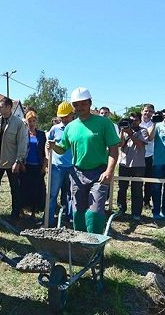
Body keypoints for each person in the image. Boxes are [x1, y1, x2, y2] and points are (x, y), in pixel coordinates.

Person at [46, 87, 119, 234]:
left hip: (99, 173)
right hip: (77, 174)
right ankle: (79, 246)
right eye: (76, 105)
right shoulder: (70, 127)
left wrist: (109, 171)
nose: (79, 107)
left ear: (90, 103)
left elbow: (113, 149)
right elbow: (63, 148)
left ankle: (94, 249)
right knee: (78, 212)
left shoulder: (104, 123)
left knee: (94, 212)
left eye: (83, 104)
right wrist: (53, 146)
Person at [0, 97, 27, 221]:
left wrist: (18, 161)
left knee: (15, 189)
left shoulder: (18, 123)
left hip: (11, 162)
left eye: (1, 106)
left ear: (9, 107)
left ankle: (15, 215)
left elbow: (22, 143)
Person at [45, 101, 75, 227]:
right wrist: (47, 158)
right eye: (61, 117)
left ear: (72, 114)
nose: (63, 119)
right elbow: (47, 145)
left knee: (71, 195)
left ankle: (71, 219)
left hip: (73, 166)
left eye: (66, 116)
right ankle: (48, 221)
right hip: (56, 166)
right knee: (52, 195)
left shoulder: (76, 127)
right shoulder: (55, 129)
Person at [116, 112, 148, 221]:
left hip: (138, 165)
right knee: (122, 189)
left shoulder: (143, 131)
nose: (133, 122)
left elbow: (140, 145)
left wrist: (130, 133)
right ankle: (121, 209)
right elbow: (120, 144)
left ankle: (136, 213)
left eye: (135, 120)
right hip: (124, 164)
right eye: (131, 120)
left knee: (137, 190)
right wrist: (122, 131)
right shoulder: (124, 131)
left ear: (140, 121)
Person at [20, 110, 46, 218]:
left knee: (37, 190)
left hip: (37, 166)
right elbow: (20, 149)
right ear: (26, 121)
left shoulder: (41, 134)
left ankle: (34, 212)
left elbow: (44, 152)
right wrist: (21, 164)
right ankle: (22, 210)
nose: (31, 123)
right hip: (26, 166)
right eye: (29, 121)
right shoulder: (23, 134)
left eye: (33, 121)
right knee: (24, 188)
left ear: (36, 121)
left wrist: (44, 167)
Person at [140, 103, 156, 208]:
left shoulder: (155, 123)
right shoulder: (136, 122)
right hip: (137, 156)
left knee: (148, 180)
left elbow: (150, 138)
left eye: (150, 111)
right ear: (142, 111)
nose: (148, 113)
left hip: (149, 155)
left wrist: (154, 123)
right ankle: (136, 201)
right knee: (137, 181)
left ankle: (146, 201)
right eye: (146, 110)